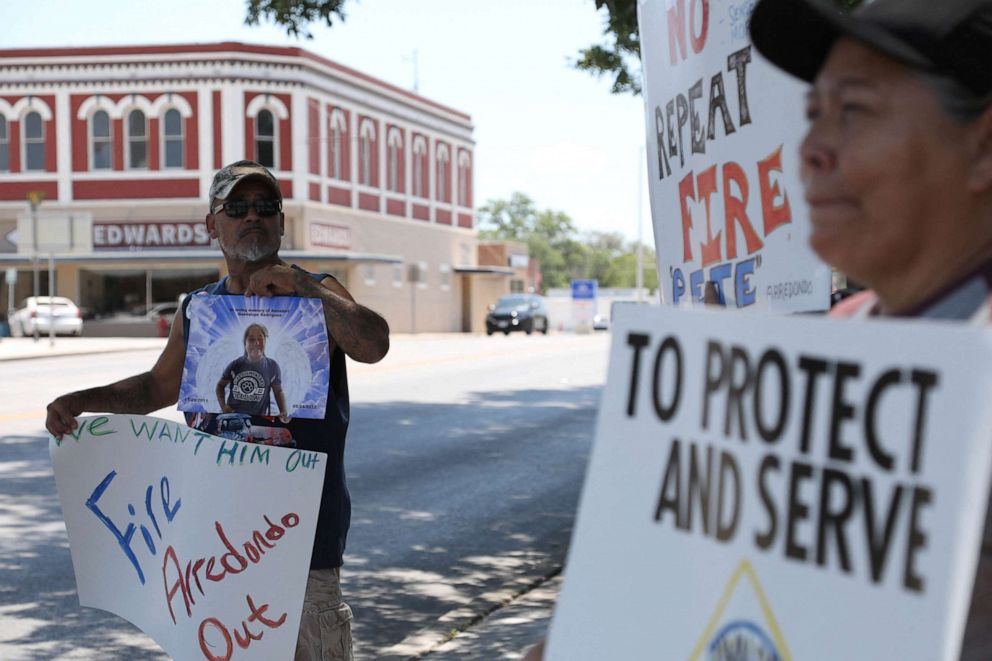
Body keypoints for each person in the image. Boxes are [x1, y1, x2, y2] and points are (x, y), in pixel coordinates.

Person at [46, 159, 390, 660]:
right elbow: (155, 388)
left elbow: (373, 344)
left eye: (265, 206)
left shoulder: (318, 293)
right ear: (213, 224)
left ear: (280, 222)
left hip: (299, 546)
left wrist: (304, 285)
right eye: (237, 207)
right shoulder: (199, 309)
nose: (253, 216)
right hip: (215, 547)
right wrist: (82, 402)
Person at [747, 0, 992, 658]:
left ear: (984, 146)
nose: (809, 152)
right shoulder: (839, 336)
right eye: (811, 114)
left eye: (852, 110)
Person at [217, 322, 290, 421]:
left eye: (260, 339)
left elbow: (278, 391)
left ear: (265, 341)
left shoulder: (272, 366)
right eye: (251, 339)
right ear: (245, 343)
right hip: (234, 418)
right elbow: (220, 386)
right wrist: (223, 406)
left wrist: (283, 411)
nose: (257, 343)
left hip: (260, 420)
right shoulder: (234, 365)